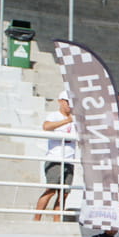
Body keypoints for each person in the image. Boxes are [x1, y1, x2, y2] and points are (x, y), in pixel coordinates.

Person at [35, 91, 77, 222]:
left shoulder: (76, 119)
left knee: (64, 193)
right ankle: (36, 219)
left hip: (70, 160)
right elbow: (46, 126)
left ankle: (57, 220)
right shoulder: (54, 115)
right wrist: (68, 120)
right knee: (51, 190)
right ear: (60, 101)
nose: (70, 105)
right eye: (68, 101)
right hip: (55, 159)